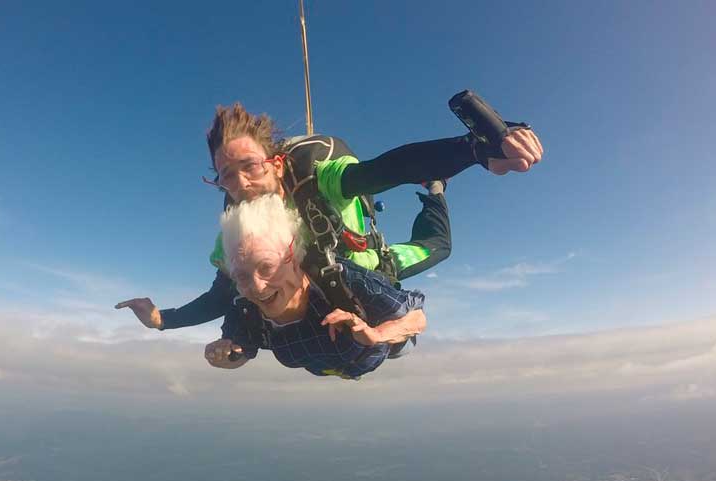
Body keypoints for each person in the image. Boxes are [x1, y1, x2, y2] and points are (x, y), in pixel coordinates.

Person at [117, 100, 542, 330]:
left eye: (250, 167)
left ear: (276, 164)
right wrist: (162, 320)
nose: (241, 184)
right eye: (226, 176)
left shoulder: (319, 179)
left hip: (363, 264)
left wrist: (473, 150)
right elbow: (224, 292)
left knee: (439, 246)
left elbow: (387, 169)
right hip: (313, 290)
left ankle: (436, 188)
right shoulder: (235, 231)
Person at [205, 194, 427, 379]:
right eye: (242, 276)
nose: (257, 287)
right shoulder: (245, 311)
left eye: (266, 267)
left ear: (294, 258)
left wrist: (375, 334)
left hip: (384, 348)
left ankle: (435, 194)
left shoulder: (339, 281)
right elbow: (242, 352)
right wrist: (223, 357)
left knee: (401, 345)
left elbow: (417, 319)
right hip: (329, 365)